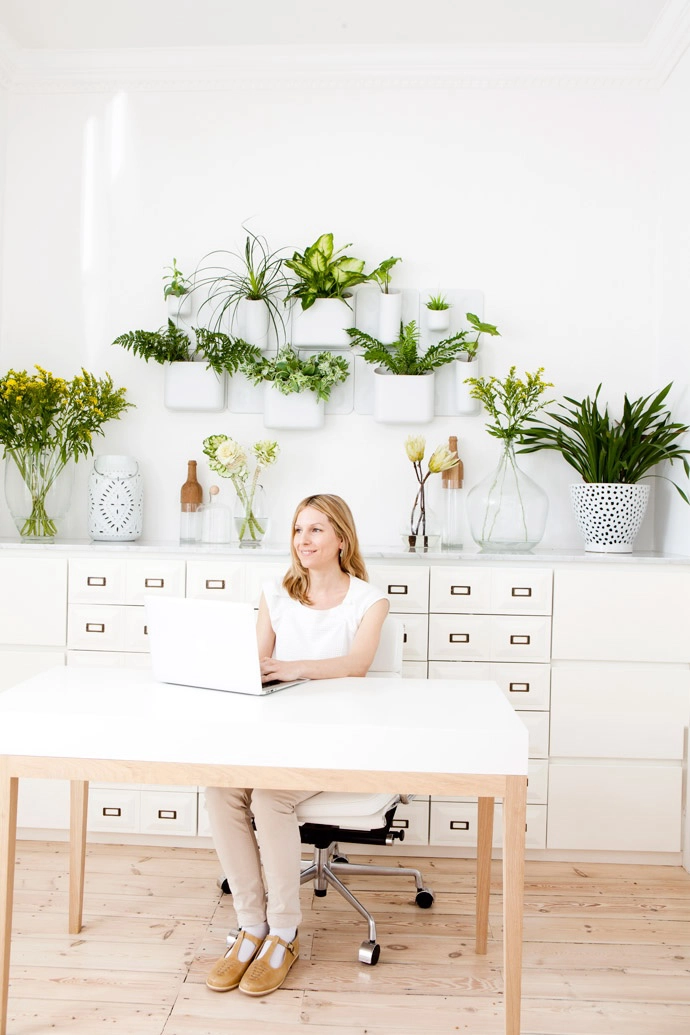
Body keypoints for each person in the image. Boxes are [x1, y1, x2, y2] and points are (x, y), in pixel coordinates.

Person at [204, 493, 389, 997]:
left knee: (268, 796)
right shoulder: (276, 593)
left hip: (340, 739)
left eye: (315, 531)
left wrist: (295, 668)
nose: (302, 541)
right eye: (297, 530)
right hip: (278, 735)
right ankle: (251, 927)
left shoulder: (369, 600)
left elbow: (357, 665)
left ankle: (284, 930)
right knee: (220, 787)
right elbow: (257, 664)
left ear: (341, 539)